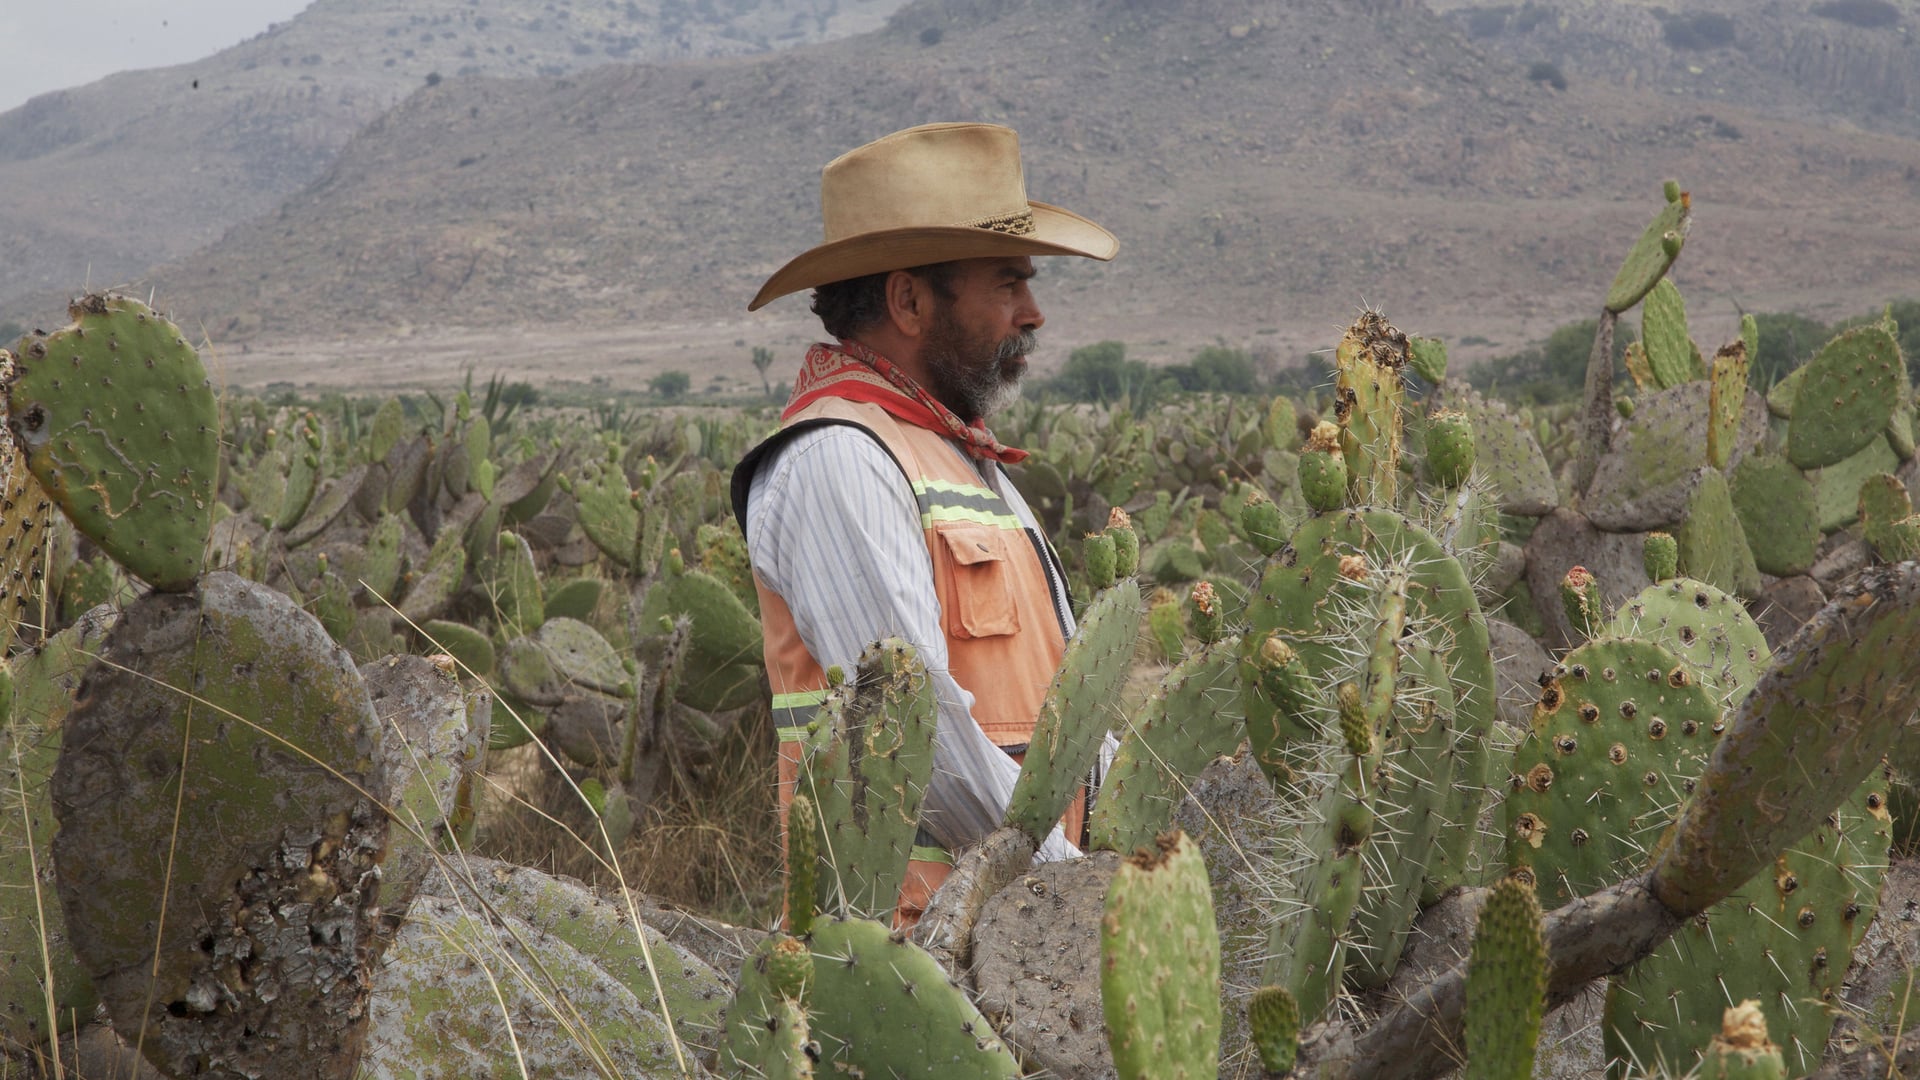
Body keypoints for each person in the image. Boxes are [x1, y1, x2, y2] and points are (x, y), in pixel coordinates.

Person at [729, 122, 1118, 927]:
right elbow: (923, 748)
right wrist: (1082, 898)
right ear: (909, 301)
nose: (1034, 314)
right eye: (1007, 285)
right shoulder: (841, 459)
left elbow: (1060, 716)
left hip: (1013, 932)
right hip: (916, 958)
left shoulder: (956, 454)